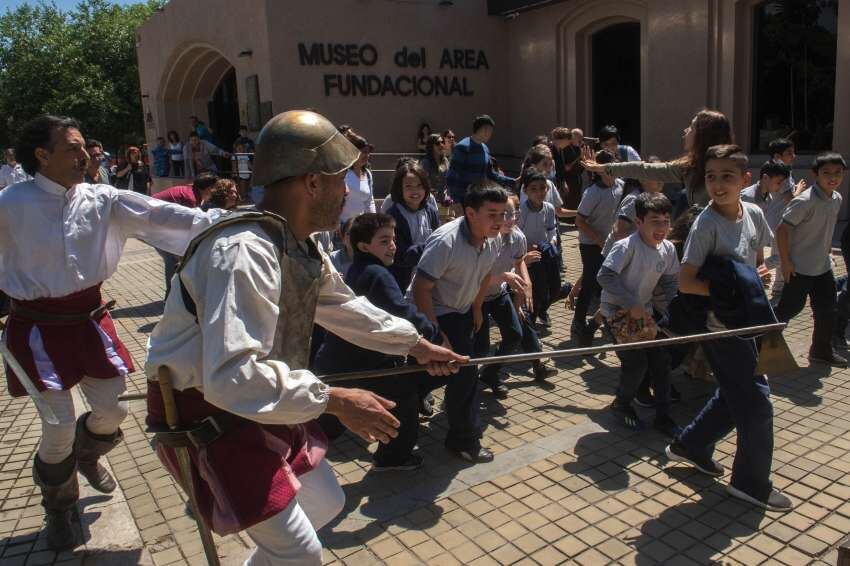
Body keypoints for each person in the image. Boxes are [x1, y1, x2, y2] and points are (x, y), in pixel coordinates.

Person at [144, 110, 462, 565]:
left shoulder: (296, 244)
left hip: (259, 399)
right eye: (340, 181)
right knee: (301, 553)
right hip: (207, 413)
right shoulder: (243, 253)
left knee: (325, 502)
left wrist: (417, 345)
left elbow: (346, 308)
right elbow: (232, 376)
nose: (347, 192)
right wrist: (335, 399)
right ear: (312, 182)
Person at [0, 115, 222, 550]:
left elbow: (171, 218)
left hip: (89, 320)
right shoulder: (9, 204)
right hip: (35, 328)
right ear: (42, 155)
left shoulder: (104, 199)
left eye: (86, 147)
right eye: (73, 148)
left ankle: (86, 455)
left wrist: (239, 222)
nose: (86, 156)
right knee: (57, 424)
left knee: (114, 412)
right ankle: (59, 505)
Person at [668, 143, 792, 512]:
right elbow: (685, 281)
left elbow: (756, 258)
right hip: (720, 328)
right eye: (711, 177)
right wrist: (727, 289)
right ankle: (751, 484)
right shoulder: (706, 225)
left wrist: (760, 275)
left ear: (745, 179)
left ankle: (689, 445)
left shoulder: (753, 213)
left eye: (727, 177)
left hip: (752, 322)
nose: (718, 185)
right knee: (757, 405)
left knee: (736, 392)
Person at [314, 213, 443, 471]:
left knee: (329, 421)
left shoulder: (362, 268)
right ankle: (392, 458)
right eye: (384, 241)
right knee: (402, 400)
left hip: (339, 361)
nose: (393, 245)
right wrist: (435, 335)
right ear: (363, 246)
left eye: (393, 239)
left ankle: (317, 434)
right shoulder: (377, 274)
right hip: (360, 363)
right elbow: (402, 311)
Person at [411, 181, 511, 463]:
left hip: (463, 309)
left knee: (448, 370)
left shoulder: (494, 239)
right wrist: (435, 334)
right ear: (470, 213)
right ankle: (463, 440)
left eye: (502, 214)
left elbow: (483, 277)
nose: (499, 221)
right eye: (492, 214)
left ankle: (414, 394)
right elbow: (421, 289)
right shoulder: (447, 241)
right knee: (465, 375)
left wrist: (478, 309)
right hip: (435, 310)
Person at [598, 192, 680, 436]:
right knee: (636, 363)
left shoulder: (667, 249)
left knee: (661, 362)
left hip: (644, 313)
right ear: (639, 222)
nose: (662, 227)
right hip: (616, 312)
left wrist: (673, 309)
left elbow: (669, 282)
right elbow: (604, 276)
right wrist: (631, 302)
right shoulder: (626, 246)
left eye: (666, 221)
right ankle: (621, 405)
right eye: (655, 221)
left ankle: (663, 417)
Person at [475, 194, 556, 397]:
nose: (509, 219)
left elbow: (519, 261)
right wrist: (506, 277)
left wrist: (526, 283)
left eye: (513, 214)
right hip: (475, 297)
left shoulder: (518, 237)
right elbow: (478, 277)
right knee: (481, 347)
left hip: (498, 293)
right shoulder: (484, 240)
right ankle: (467, 386)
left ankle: (490, 372)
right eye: (504, 214)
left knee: (515, 334)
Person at [774, 153, 848, 367]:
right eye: (826, 173)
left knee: (827, 309)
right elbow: (782, 230)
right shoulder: (805, 200)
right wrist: (786, 263)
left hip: (822, 266)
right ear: (816, 174)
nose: (832, 178)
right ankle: (761, 342)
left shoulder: (836, 198)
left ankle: (820, 351)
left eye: (837, 173)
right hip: (799, 267)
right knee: (789, 308)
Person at [582, 109, 733, 211]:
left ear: (703, 135)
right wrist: (604, 167)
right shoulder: (689, 166)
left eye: (691, 127)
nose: (685, 130)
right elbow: (643, 169)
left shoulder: (728, 166)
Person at [573, 150, 624, 345]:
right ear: (599, 171)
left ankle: (605, 322)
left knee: (608, 281)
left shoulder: (621, 187)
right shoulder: (592, 192)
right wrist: (599, 240)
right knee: (590, 281)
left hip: (610, 242)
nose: (611, 172)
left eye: (613, 167)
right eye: (607, 169)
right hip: (590, 244)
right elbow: (579, 220)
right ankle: (578, 321)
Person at [153, 173, 219, 294]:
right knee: (172, 259)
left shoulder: (192, 191)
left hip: (159, 224)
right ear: (209, 188)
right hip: (156, 225)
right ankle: (171, 294)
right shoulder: (191, 198)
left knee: (175, 257)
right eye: (215, 188)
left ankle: (176, 291)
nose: (216, 192)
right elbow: (189, 226)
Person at [385, 161, 440, 291]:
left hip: (429, 276)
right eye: (408, 186)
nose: (415, 191)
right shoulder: (393, 215)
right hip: (404, 280)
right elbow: (400, 255)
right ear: (400, 189)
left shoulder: (430, 211)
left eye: (419, 185)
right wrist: (432, 245)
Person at [518, 168, 560, 328]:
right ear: (525, 190)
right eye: (534, 189)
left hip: (546, 253)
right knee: (539, 291)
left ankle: (542, 310)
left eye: (543, 188)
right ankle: (530, 323)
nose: (539, 192)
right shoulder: (521, 210)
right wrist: (528, 248)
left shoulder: (548, 208)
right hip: (530, 257)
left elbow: (551, 229)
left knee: (555, 288)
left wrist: (552, 241)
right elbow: (516, 235)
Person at [445, 114, 515, 208]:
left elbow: (491, 174)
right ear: (483, 129)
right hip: (464, 200)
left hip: (480, 199)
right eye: (489, 131)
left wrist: (512, 181)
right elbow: (451, 176)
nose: (490, 134)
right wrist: (456, 201)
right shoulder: (463, 147)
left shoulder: (485, 148)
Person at [340, 132, 376, 224]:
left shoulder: (368, 174)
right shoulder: (343, 174)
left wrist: (374, 221)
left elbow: (369, 201)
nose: (367, 155)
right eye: (363, 152)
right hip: (342, 227)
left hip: (359, 227)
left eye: (368, 152)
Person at [420, 133, 449, 204]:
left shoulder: (445, 161)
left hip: (444, 201)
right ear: (431, 146)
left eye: (442, 142)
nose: (441, 145)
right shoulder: (425, 163)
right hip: (429, 201)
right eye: (437, 143)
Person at [548, 127, 572, 202]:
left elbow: (560, 167)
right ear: (562, 139)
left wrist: (563, 182)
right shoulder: (548, 149)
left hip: (557, 183)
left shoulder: (561, 149)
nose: (569, 142)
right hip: (549, 183)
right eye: (568, 139)